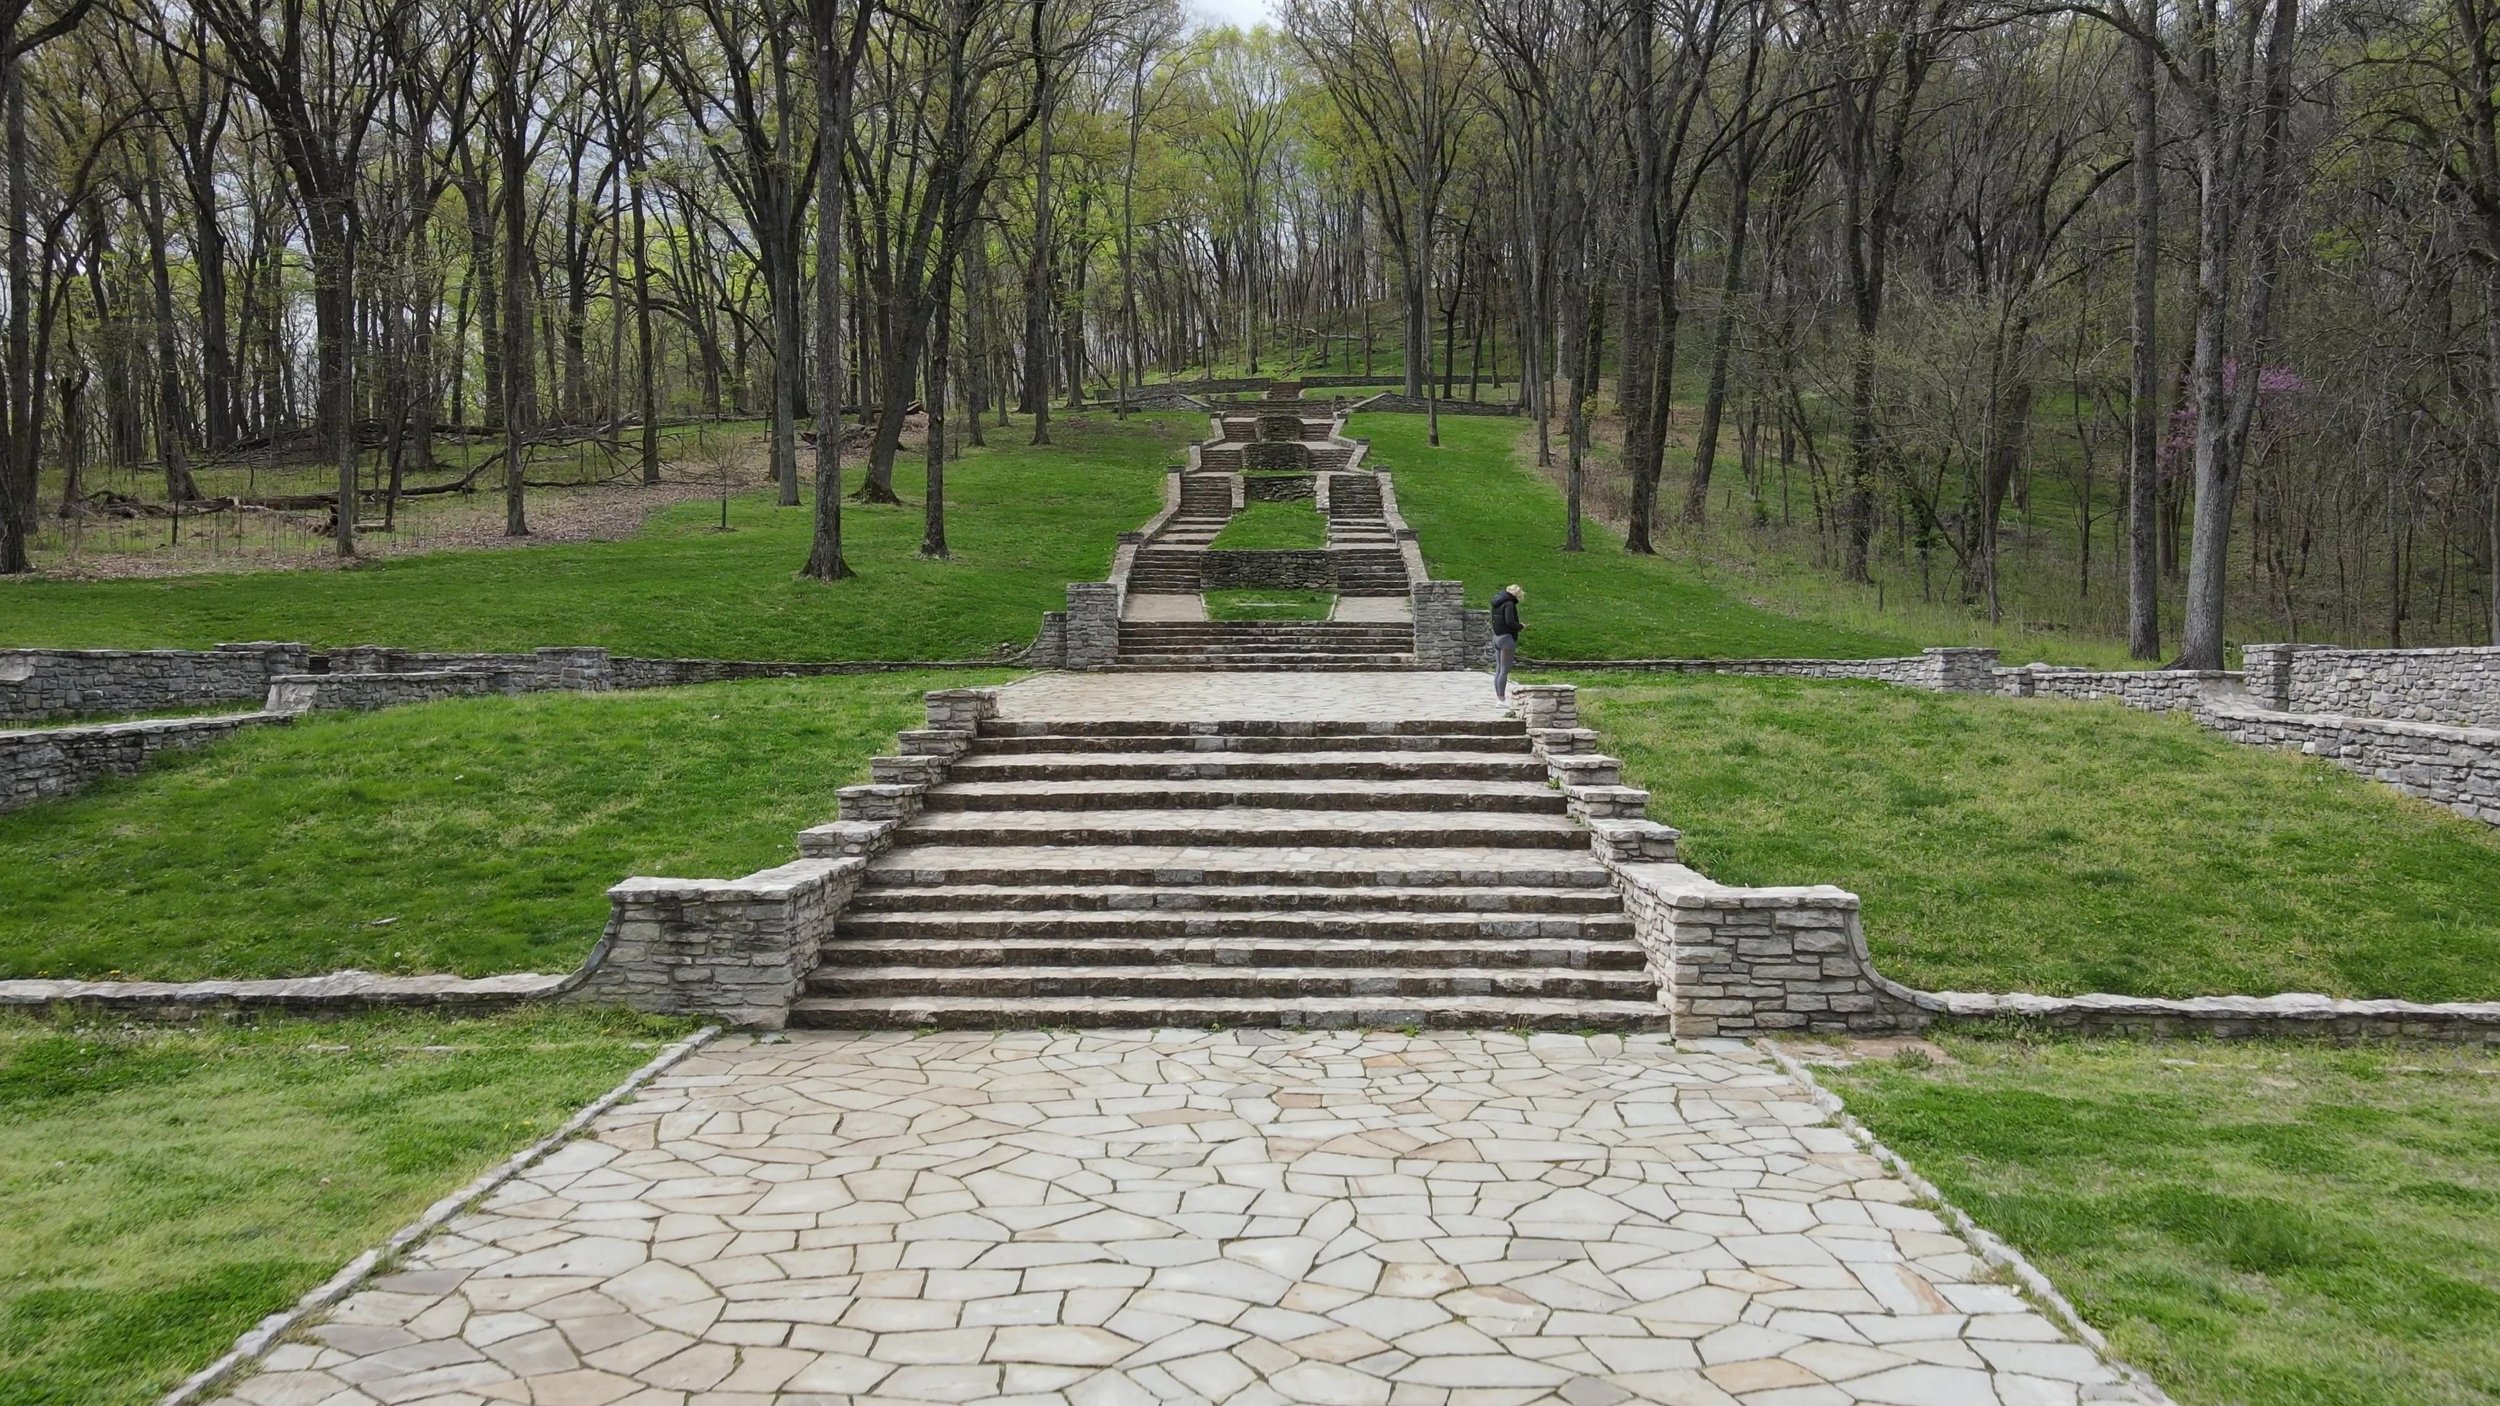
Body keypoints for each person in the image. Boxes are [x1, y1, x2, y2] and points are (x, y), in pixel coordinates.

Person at [1490, 583, 1524, 701]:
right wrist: (1520, 626)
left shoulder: (1497, 602)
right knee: (1504, 670)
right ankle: (1501, 699)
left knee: (1498, 669)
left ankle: (1498, 697)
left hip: (1497, 637)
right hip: (1506, 639)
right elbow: (1510, 621)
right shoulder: (1509, 603)